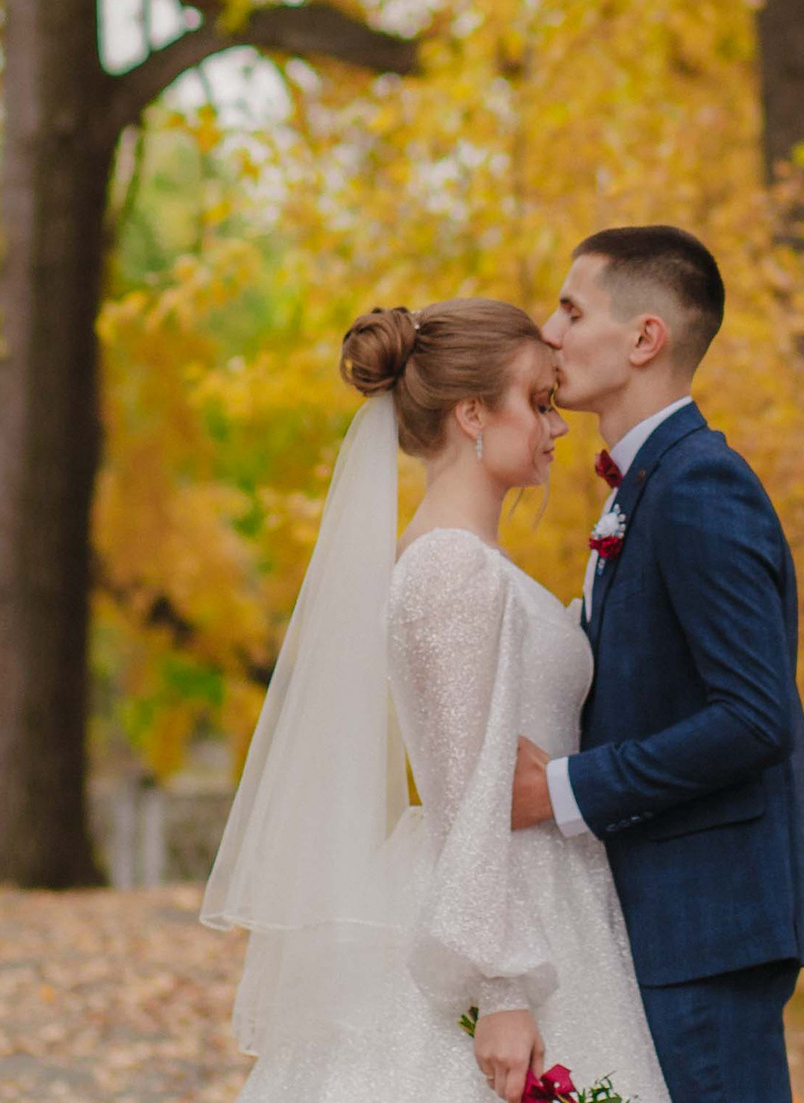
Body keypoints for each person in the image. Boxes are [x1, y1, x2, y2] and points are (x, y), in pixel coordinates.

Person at [204, 298, 673, 1103]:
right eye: (538, 402)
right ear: (470, 415)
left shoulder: (476, 565)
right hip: (501, 916)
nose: (557, 427)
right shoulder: (449, 569)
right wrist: (502, 992)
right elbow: (465, 793)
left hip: (546, 898)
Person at [514, 225, 804, 1103]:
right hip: (663, 915)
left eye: (571, 309)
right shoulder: (646, 486)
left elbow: (752, 716)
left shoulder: (701, 484)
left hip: (704, 923)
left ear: (644, 338)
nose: (548, 332)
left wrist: (560, 790)